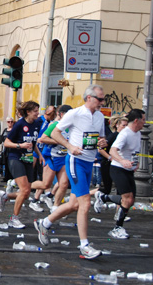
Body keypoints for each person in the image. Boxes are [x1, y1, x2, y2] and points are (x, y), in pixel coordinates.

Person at [34, 84, 107, 259]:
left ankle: (44, 223)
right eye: (100, 99)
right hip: (76, 161)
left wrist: (102, 143)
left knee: (75, 204)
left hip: (90, 161)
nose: (102, 103)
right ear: (89, 98)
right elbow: (56, 133)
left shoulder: (100, 116)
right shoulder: (75, 113)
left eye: (103, 99)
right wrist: (70, 146)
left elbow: (101, 137)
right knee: (85, 204)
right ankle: (84, 246)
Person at [93, 109, 145, 239]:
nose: (145, 122)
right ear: (137, 121)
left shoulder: (137, 133)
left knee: (131, 200)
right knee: (127, 199)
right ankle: (117, 228)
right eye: (143, 119)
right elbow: (112, 150)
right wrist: (122, 161)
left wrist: (135, 163)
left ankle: (102, 197)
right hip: (117, 169)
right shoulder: (124, 134)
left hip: (128, 170)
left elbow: (134, 152)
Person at [0, 101, 43, 228]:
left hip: (27, 158)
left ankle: (5, 196)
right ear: (28, 112)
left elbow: (33, 143)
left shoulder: (37, 124)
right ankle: (13, 218)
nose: (37, 113)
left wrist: (39, 155)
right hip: (15, 158)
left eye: (38, 111)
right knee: (25, 189)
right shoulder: (20, 124)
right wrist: (20, 145)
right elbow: (6, 143)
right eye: (35, 111)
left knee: (26, 193)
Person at [32, 105, 72, 212]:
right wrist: (60, 141)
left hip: (63, 158)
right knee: (46, 184)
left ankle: (55, 207)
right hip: (51, 156)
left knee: (63, 184)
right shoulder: (55, 125)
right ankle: (25, 187)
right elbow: (42, 139)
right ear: (62, 114)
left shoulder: (72, 127)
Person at [95, 115, 128, 199]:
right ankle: (89, 195)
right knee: (107, 188)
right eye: (123, 125)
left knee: (120, 187)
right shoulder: (113, 136)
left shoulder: (124, 137)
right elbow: (100, 149)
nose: (125, 127)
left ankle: (119, 206)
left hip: (117, 165)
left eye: (126, 125)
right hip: (107, 164)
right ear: (117, 125)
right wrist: (111, 158)